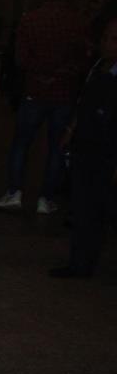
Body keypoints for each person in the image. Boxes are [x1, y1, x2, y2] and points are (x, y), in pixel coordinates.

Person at [0, 0, 87, 215]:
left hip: (35, 90)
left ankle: (15, 192)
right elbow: (81, 58)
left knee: (22, 143)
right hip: (64, 92)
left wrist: (41, 73)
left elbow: (21, 58)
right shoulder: (76, 21)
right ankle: (46, 198)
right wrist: (60, 73)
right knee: (56, 146)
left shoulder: (31, 19)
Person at [49, 14, 117, 279]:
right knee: (84, 208)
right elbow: (84, 103)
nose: (107, 44)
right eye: (106, 38)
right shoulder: (98, 67)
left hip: (109, 152)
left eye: (113, 40)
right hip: (87, 148)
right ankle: (80, 264)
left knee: (106, 209)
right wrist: (70, 130)